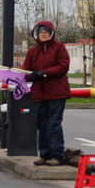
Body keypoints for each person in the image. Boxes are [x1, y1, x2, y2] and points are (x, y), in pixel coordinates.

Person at [22, 21, 71, 167]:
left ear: (51, 34)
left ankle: (57, 155)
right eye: (41, 32)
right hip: (39, 94)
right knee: (41, 125)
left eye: (46, 32)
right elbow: (26, 71)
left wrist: (44, 73)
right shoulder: (32, 52)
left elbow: (63, 66)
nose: (43, 34)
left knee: (53, 124)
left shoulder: (59, 47)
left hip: (56, 93)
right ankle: (44, 154)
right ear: (37, 35)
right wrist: (32, 75)